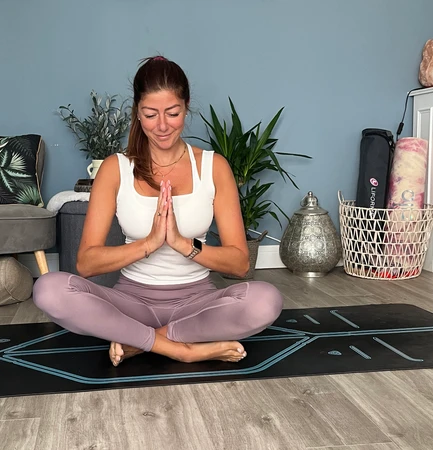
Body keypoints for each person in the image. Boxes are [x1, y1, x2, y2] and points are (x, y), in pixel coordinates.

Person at [32, 55, 283, 367]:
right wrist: (149, 243)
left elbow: (240, 263)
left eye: (173, 113)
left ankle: (141, 341)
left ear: (186, 107)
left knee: (266, 300)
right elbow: (86, 263)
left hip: (198, 305)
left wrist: (183, 244)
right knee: (49, 289)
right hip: (130, 304)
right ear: (137, 113)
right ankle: (181, 348)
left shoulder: (213, 167)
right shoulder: (115, 168)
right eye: (151, 115)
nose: (162, 126)